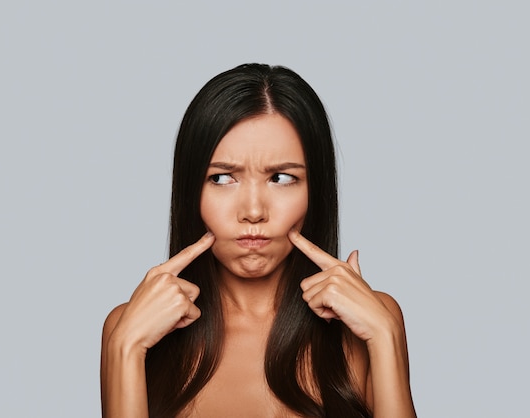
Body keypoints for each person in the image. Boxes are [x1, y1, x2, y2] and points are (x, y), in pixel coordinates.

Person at [100, 63, 417, 418]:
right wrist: (126, 348)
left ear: (316, 190)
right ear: (191, 190)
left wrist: (384, 335)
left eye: (281, 178)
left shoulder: (372, 322)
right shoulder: (129, 328)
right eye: (221, 178)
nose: (253, 211)